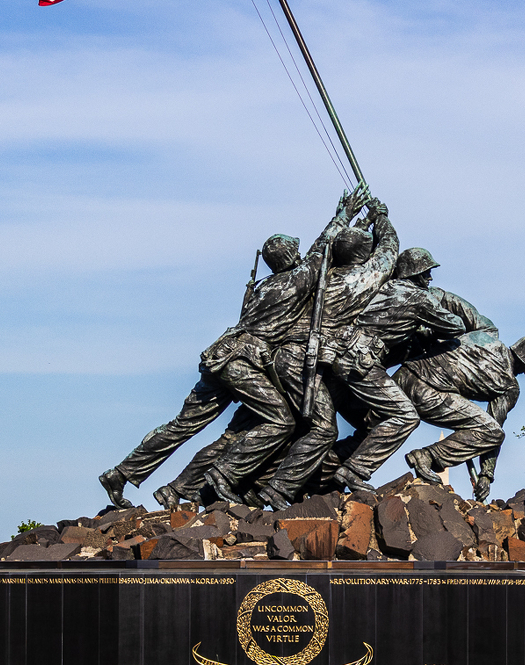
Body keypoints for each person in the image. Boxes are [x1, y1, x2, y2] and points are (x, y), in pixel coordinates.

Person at [98, 190, 364, 508]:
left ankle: (121, 473)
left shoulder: (265, 286)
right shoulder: (295, 281)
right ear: (291, 258)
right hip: (243, 362)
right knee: (281, 421)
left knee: (182, 426)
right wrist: (344, 215)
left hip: (220, 356)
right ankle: (224, 475)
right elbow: (321, 249)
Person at [254, 199, 398, 507]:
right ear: (363, 256)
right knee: (323, 428)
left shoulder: (317, 273)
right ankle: (277, 488)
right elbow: (389, 251)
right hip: (300, 360)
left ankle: (295, 479)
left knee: (311, 425)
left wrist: (350, 220)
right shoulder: (360, 279)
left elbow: (326, 246)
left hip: (289, 357)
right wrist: (381, 218)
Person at [324, 246, 474, 492]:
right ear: (414, 274)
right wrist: (427, 322)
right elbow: (455, 326)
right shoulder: (419, 298)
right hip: (361, 361)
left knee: (364, 422)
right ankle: (352, 471)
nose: (429, 279)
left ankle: (321, 472)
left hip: (339, 356)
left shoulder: (383, 287)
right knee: (405, 416)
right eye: (426, 273)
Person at [396, 324, 525, 502]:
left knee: (366, 423)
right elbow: (493, 427)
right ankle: (427, 456)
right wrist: (486, 475)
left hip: (402, 375)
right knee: (493, 433)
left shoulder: (484, 337)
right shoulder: (509, 385)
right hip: (427, 392)